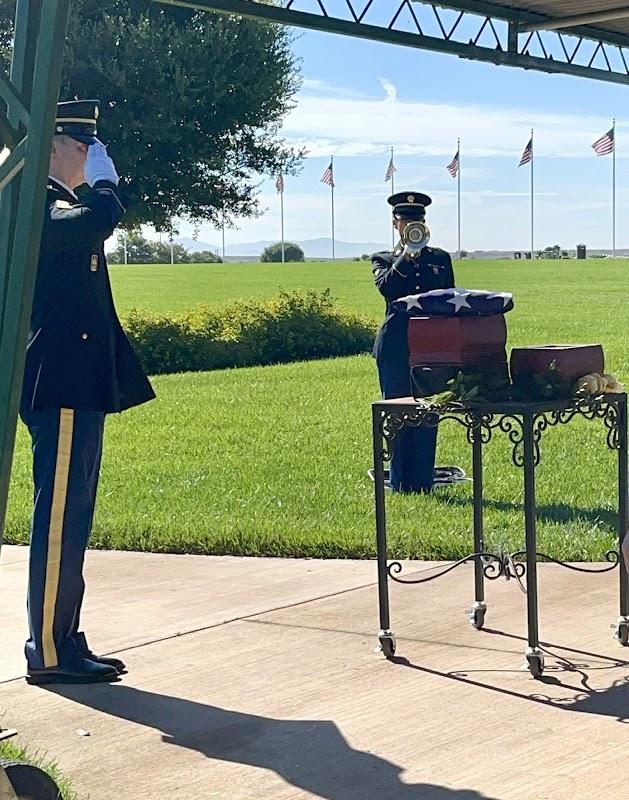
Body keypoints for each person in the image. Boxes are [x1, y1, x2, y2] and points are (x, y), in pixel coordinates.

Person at [20, 99, 155, 685]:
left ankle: (63, 636)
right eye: (84, 146)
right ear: (53, 147)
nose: (94, 156)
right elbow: (94, 225)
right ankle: (48, 650)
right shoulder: (36, 204)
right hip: (62, 379)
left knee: (73, 515)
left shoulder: (62, 204)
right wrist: (104, 190)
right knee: (58, 518)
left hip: (79, 379)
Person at [371, 192, 455, 493]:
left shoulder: (440, 259)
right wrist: (407, 254)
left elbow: (449, 300)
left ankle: (422, 480)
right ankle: (399, 481)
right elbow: (388, 289)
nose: (412, 225)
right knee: (397, 411)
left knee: (428, 411)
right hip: (395, 346)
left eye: (417, 220)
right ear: (396, 224)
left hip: (430, 346)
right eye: (406, 220)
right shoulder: (383, 259)